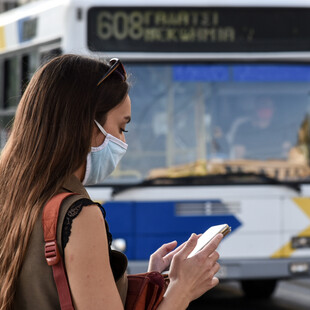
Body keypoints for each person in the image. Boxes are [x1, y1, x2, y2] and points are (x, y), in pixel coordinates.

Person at [0, 54, 223, 310]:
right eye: (121, 128)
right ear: (86, 126)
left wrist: (151, 279)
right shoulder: (78, 216)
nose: (123, 143)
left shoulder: (11, 194)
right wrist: (183, 288)